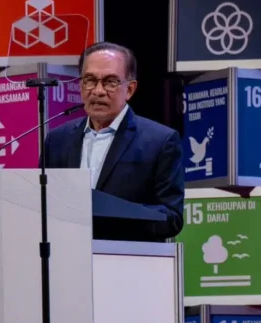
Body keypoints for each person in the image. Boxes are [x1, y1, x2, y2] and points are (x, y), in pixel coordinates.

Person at [43, 41, 184, 240]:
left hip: (126, 260)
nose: (98, 91)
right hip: (66, 257)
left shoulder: (160, 141)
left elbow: (172, 218)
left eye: (110, 82)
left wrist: (113, 214)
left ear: (130, 89)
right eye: (90, 80)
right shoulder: (57, 140)